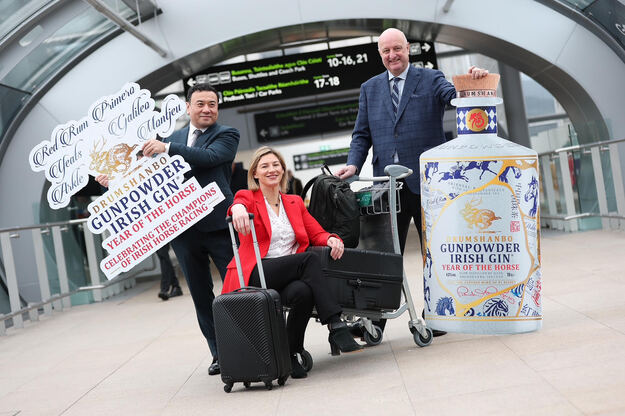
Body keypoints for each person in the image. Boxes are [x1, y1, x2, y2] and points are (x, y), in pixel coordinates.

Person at [335, 28, 489, 338]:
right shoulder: (369, 88)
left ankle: (439, 314)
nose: (392, 55)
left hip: (428, 183)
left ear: (408, 48)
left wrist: (472, 83)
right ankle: (375, 321)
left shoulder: (430, 79)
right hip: (387, 187)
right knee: (382, 256)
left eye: (397, 48)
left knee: (436, 252)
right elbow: (361, 134)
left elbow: (454, 97)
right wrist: (354, 163)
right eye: (386, 51)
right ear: (380, 54)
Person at [224, 146, 362, 379]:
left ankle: (291, 353)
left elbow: (316, 233)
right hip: (257, 271)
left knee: (302, 292)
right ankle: (335, 323)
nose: (271, 170)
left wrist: (331, 238)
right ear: (255, 173)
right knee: (308, 259)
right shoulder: (248, 198)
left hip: (287, 272)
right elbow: (238, 203)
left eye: (275, 165)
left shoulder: (294, 202)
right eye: (264, 166)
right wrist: (237, 208)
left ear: (283, 170)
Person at [142, 83, 240, 376]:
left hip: (219, 225)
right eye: (200, 104)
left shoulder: (227, 134)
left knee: (237, 288)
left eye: (212, 104)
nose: (207, 109)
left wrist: (168, 148)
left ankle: (246, 345)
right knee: (200, 294)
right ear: (188, 107)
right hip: (184, 230)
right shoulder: (170, 138)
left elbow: (208, 158)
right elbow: (145, 176)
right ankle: (219, 353)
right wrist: (114, 180)